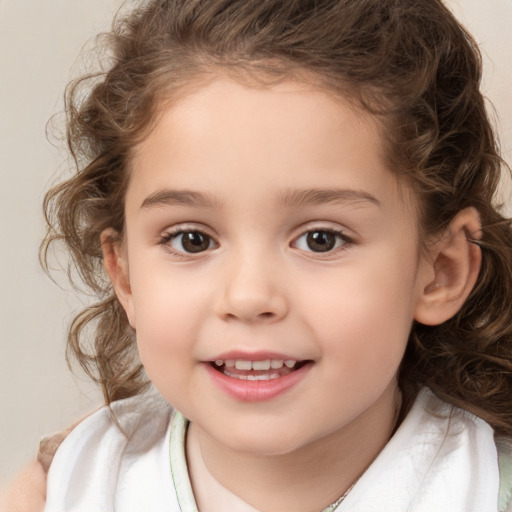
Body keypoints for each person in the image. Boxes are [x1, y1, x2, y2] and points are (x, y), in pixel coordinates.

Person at [3, 0, 512, 510]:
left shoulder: (487, 489)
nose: (248, 297)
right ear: (126, 276)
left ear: (441, 272)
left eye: (321, 239)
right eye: (191, 239)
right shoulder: (70, 487)